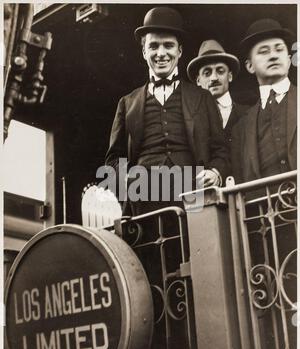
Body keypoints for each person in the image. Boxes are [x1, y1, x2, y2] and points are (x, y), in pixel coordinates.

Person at [105, 7, 228, 216]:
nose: (161, 53)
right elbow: (113, 160)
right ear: (144, 52)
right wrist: (125, 177)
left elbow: (221, 149)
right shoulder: (127, 103)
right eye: (154, 46)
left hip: (193, 194)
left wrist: (215, 173)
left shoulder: (202, 97)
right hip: (144, 197)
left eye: (168, 46)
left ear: (179, 51)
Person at [232, 19, 297, 183]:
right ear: (249, 66)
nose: (273, 55)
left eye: (279, 49)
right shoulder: (241, 128)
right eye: (263, 51)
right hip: (263, 207)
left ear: (289, 60)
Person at [187, 39, 248, 176]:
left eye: (220, 71)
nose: (214, 78)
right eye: (207, 73)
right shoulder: (190, 120)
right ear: (198, 81)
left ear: (230, 76)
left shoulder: (249, 113)